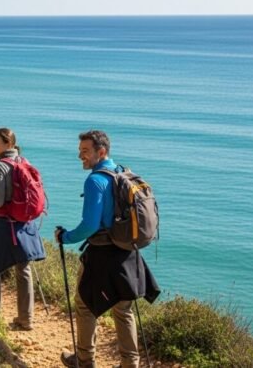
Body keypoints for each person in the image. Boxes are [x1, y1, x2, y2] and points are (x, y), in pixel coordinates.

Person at [55, 130, 160, 368]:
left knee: (84, 305)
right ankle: (130, 364)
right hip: (128, 254)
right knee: (123, 309)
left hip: (102, 254)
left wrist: (66, 237)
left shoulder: (95, 180)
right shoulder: (123, 173)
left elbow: (91, 225)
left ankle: (84, 360)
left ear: (101, 152)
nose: (80, 156)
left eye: (85, 151)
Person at [0, 127, 45, 331]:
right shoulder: (24, 161)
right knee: (24, 269)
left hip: (5, 225)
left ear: (9, 144)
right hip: (25, 223)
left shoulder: (0, 166)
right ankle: (26, 319)